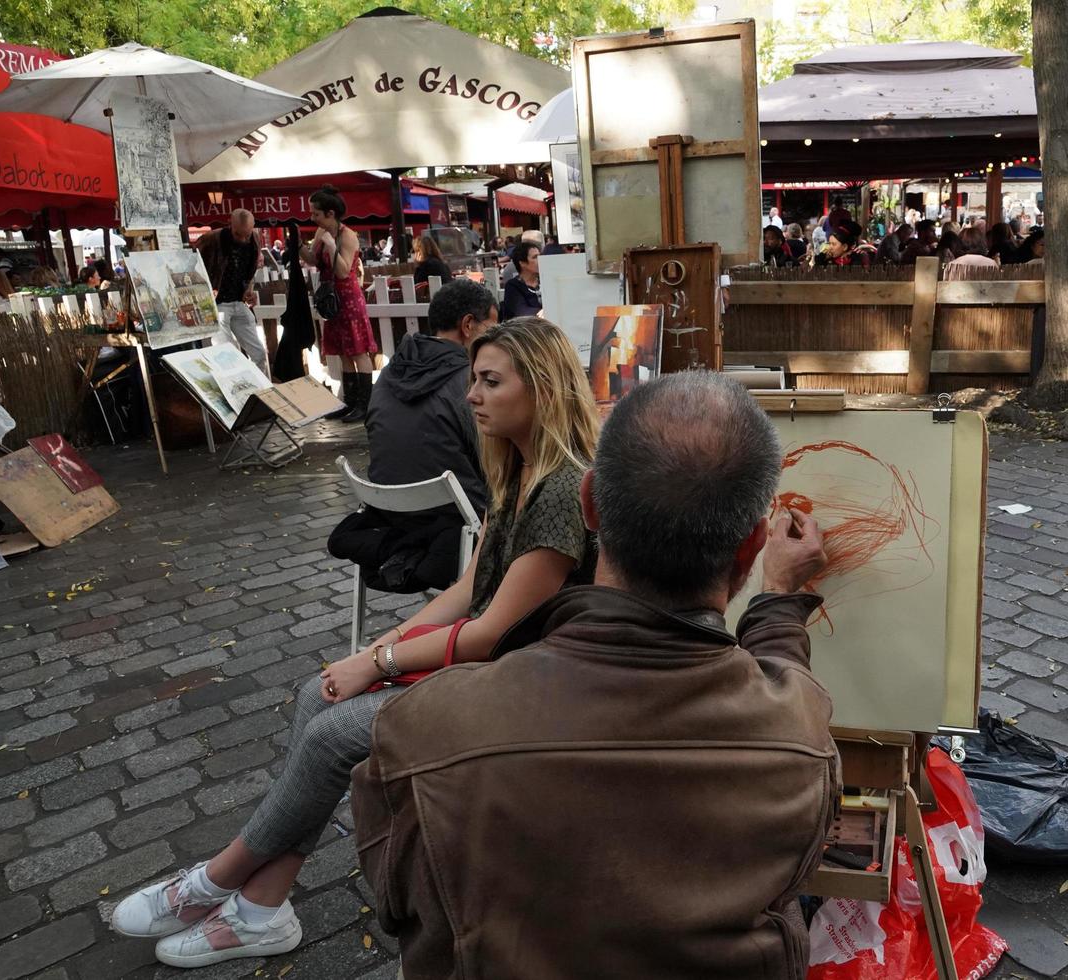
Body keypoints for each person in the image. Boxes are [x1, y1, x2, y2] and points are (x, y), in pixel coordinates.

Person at [111, 317, 600, 969]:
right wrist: (373, 653)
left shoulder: (563, 488)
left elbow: (488, 634)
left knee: (333, 733)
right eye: (472, 380)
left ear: (543, 388)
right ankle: (262, 909)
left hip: (527, 692)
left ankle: (219, 880)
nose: (472, 396)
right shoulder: (516, 467)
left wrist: (378, 660)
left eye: (489, 382)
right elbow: (465, 590)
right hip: (492, 672)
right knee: (318, 691)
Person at [351, 372, 836, 979]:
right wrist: (779, 598)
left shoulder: (426, 728)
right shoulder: (800, 734)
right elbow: (790, 694)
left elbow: (398, 908)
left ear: (588, 504)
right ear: (756, 543)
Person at [328, 279, 498, 591]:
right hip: (458, 526)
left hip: (391, 518)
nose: (496, 338)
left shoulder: (390, 373)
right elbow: (496, 457)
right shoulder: (469, 381)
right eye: (493, 326)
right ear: (469, 325)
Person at [311, 185, 379, 422]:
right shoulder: (321, 233)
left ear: (330, 213)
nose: (313, 218)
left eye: (316, 214)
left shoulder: (347, 235)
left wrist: (332, 246)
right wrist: (298, 247)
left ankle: (365, 405)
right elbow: (312, 259)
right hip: (332, 298)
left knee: (359, 351)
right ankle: (349, 402)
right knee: (342, 351)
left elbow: (342, 271)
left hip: (348, 297)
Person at [196, 209, 267, 377]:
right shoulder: (211, 239)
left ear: (253, 228)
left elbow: (248, 270)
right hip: (217, 304)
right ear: (230, 224)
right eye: (238, 234)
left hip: (237, 302)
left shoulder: (254, 239)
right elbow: (192, 265)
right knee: (228, 356)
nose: (243, 239)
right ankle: (237, 392)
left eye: (246, 235)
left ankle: (256, 393)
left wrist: (249, 290)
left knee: (259, 354)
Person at [500, 241, 543, 319]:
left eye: (540, 256)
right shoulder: (512, 286)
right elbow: (521, 311)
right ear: (522, 263)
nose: (540, 260)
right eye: (535, 257)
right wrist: (545, 311)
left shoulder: (545, 281)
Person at [410, 232, 453, 299]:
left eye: (415, 251)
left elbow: (417, 285)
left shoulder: (426, 265)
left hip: (435, 299)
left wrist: (417, 265)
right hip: (448, 296)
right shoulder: (441, 262)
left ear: (419, 251)